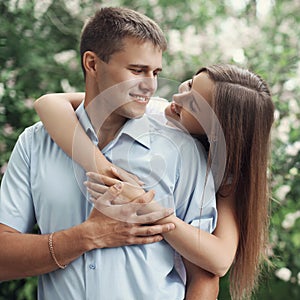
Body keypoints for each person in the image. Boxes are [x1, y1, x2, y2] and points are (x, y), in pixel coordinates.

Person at [0, 7, 218, 300]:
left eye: (155, 73)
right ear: (92, 63)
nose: (150, 85)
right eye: (137, 70)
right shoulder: (35, 143)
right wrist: (85, 236)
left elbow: (205, 277)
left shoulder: (183, 150)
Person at [35, 63, 275, 299]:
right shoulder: (153, 111)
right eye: (190, 84)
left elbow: (220, 260)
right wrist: (109, 173)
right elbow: (49, 103)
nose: (178, 96)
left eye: (193, 103)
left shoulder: (227, 176)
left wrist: (149, 208)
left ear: (216, 130)